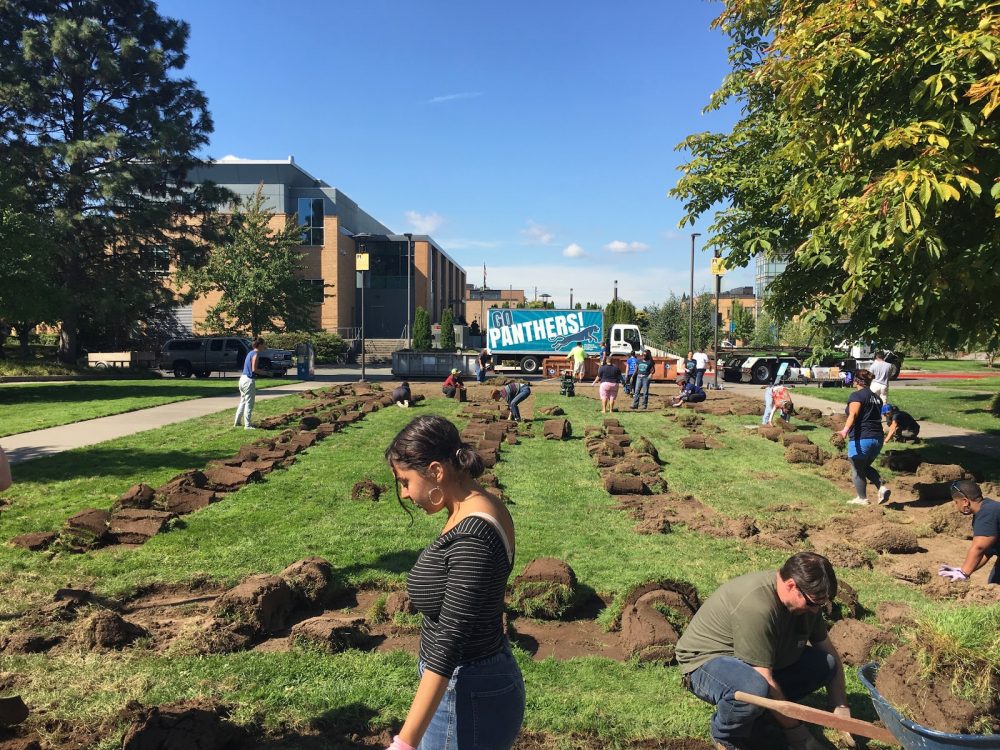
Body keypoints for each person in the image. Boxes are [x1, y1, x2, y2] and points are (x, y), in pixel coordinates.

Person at [383, 415, 524, 750]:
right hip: (473, 681)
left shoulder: (472, 538)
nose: (404, 494)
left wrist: (405, 742)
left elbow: (449, 643)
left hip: (466, 692)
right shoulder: (474, 502)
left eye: (404, 481)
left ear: (436, 471)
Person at [676, 552, 851, 750]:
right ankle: (726, 737)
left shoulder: (806, 603)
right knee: (753, 688)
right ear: (791, 585)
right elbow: (764, 677)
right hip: (707, 663)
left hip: (763, 658)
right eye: (811, 603)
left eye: (819, 605)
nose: (814, 610)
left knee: (824, 663)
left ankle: (762, 713)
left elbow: (827, 649)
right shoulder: (757, 606)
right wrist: (798, 735)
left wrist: (840, 706)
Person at [837, 369, 888, 506]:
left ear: (856, 381)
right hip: (877, 438)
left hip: (862, 437)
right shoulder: (877, 399)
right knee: (865, 466)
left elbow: (853, 415)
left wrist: (844, 430)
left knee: (856, 469)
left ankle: (862, 498)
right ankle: (882, 488)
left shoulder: (856, 396)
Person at [939, 480, 999, 585]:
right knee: (994, 585)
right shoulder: (988, 509)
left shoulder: (987, 513)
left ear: (965, 501)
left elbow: (979, 547)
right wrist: (963, 570)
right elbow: (987, 551)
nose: (956, 506)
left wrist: (964, 573)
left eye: (956, 502)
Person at [234, 337, 266, 429]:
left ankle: (237, 422)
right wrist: (266, 373)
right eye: (264, 344)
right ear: (259, 345)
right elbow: (254, 369)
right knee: (249, 403)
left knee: (243, 401)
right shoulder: (256, 354)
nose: (264, 346)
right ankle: (247, 425)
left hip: (242, 379)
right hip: (248, 381)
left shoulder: (250, 353)